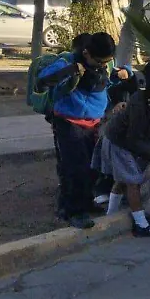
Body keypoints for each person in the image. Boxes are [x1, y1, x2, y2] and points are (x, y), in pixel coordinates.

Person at [37, 32, 128, 229]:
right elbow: (43, 80)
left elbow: (106, 80)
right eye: (99, 61)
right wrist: (70, 71)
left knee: (92, 166)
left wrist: (123, 73)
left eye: (106, 62)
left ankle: (86, 202)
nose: (102, 65)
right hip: (69, 122)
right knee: (75, 167)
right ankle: (73, 210)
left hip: (94, 122)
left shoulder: (103, 66)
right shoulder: (67, 62)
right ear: (86, 53)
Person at [100, 66, 150, 237]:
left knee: (123, 180)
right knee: (132, 181)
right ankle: (141, 223)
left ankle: (110, 215)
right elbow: (133, 138)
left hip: (131, 142)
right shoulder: (139, 105)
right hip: (120, 141)